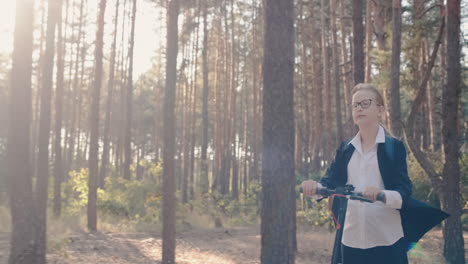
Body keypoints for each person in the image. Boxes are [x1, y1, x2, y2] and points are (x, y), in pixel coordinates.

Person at [301, 83, 448, 264]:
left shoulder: (394, 147)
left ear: (380, 110)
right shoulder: (345, 149)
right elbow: (329, 182)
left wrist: (380, 195)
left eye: (365, 103)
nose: (358, 108)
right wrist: (314, 187)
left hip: (387, 240)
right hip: (351, 240)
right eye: (355, 105)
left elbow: (404, 191)